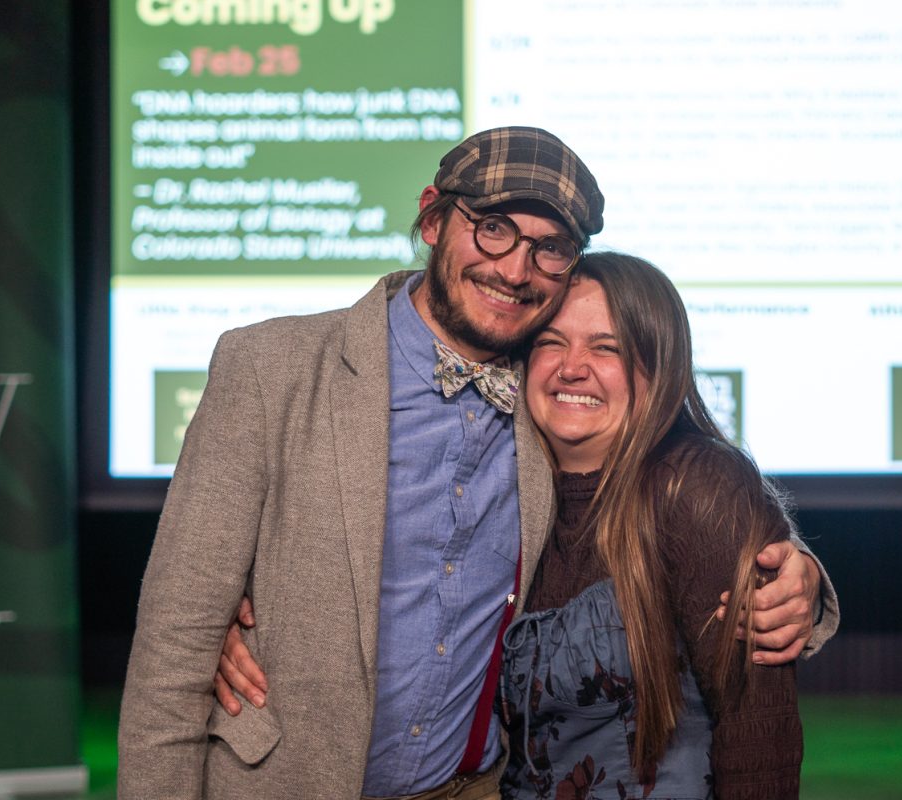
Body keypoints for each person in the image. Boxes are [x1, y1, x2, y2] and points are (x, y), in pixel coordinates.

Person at [118, 127, 838, 800]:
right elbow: (173, 646)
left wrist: (795, 571)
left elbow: (667, 474)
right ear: (433, 220)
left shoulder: (547, 390)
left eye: (549, 247)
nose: (515, 269)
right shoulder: (269, 368)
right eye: (493, 227)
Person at [500, 252, 800, 797]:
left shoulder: (698, 486)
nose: (571, 367)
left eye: (606, 347)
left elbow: (757, 730)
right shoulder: (501, 492)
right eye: (550, 341)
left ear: (657, 367)